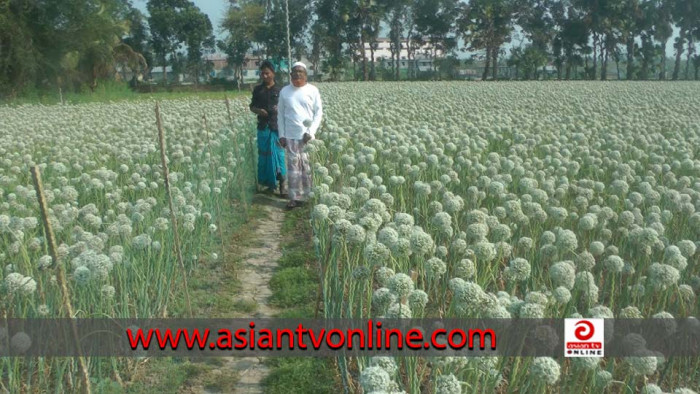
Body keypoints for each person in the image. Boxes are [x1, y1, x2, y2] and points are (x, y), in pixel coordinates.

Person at [278, 62, 323, 210]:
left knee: (307, 167)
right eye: (295, 72)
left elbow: (318, 113)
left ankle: (309, 196)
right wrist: (282, 135)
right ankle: (293, 198)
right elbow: (280, 115)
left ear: (306, 74)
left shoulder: (313, 90)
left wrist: (311, 132)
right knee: (292, 168)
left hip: (307, 137)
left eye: (300, 72)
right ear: (290, 75)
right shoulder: (285, 91)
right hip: (290, 135)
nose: (297, 74)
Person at [249, 60, 286, 196]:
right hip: (263, 127)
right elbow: (252, 106)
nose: (264, 76)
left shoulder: (281, 90)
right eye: (262, 73)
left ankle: (282, 184)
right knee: (264, 156)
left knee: (279, 156)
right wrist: (259, 111)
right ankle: (269, 185)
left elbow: (286, 108)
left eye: (267, 73)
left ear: (273, 73)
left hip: (277, 128)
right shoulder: (258, 90)